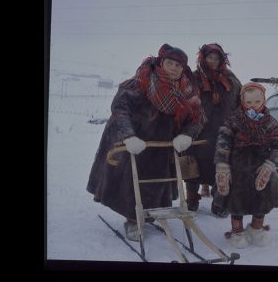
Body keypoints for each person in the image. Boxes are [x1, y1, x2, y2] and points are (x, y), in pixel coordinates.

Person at [87, 44, 205, 242]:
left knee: (158, 181)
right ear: (161, 62)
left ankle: (151, 212)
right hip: (136, 139)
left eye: (178, 65)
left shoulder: (186, 89)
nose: (174, 68)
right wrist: (128, 136)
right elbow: (120, 109)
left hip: (164, 143)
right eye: (170, 63)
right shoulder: (140, 82)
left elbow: (196, 119)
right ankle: (132, 220)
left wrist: (187, 135)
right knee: (130, 182)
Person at [213, 82, 278, 248]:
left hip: (260, 166)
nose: (253, 106)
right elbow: (223, 141)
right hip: (237, 167)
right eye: (248, 102)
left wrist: (270, 163)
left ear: (263, 100)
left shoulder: (270, 121)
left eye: (256, 101)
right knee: (236, 201)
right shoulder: (234, 120)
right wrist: (222, 165)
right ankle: (237, 231)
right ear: (242, 101)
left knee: (262, 200)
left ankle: (256, 228)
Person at [185, 43, 242, 216]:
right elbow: (185, 102)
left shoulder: (231, 79)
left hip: (222, 131)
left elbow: (239, 103)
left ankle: (219, 202)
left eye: (216, 58)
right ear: (202, 58)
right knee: (192, 164)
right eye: (209, 57)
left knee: (222, 166)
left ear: (222, 60)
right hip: (198, 130)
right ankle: (192, 199)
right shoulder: (193, 78)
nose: (213, 61)